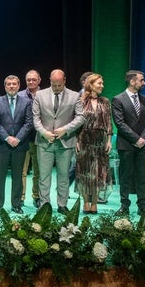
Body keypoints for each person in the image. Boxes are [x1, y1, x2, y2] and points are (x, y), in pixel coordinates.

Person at [32, 69, 85, 214]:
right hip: (44, 142)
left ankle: (62, 204)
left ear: (64, 81)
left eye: (59, 85)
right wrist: (44, 133)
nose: (56, 88)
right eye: (54, 85)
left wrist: (65, 129)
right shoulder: (40, 95)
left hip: (65, 142)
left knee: (63, 176)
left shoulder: (75, 96)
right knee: (44, 176)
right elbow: (36, 118)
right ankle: (45, 205)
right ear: (50, 81)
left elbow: (81, 117)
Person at [0, 75, 33, 213]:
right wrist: (8, 138)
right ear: (5, 86)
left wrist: (18, 138)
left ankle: (16, 204)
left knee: (18, 176)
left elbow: (29, 123)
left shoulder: (26, 102)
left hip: (20, 145)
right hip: (1, 145)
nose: (12, 86)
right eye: (9, 84)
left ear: (19, 85)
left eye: (14, 84)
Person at [112, 70, 145, 215]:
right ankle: (124, 205)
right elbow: (120, 123)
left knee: (142, 176)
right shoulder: (118, 99)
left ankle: (142, 205)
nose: (144, 83)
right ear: (132, 81)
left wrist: (143, 138)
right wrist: (136, 139)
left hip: (142, 145)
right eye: (141, 80)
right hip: (126, 145)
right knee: (126, 177)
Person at [74, 74, 112, 214]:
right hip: (84, 138)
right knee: (84, 171)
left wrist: (109, 140)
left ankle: (95, 202)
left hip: (100, 139)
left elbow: (108, 122)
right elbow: (77, 123)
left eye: (102, 83)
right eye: (99, 83)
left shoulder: (105, 101)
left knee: (98, 172)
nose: (102, 85)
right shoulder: (81, 101)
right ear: (91, 84)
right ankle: (85, 202)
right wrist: (76, 141)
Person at [21, 70, 42, 207]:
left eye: (34, 79)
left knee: (38, 170)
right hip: (23, 139)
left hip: (40, 138)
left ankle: (36, 196)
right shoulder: (19, 95)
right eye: (29, 80)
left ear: (39, 80)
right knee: (21, 171)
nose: (31, 82)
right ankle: (21, 197)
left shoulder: (45, 95)